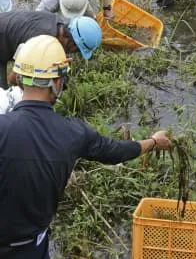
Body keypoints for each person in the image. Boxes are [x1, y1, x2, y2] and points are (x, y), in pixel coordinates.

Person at [0, 35, 171, 258]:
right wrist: (154, 142)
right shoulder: (74, 133)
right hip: (29, 248)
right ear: (58, 83)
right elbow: (117, 151)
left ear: (20, 79)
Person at [0, 10, 102, 89]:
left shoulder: (58, 25)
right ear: (71, 42)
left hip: (5, 32)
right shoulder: (40, 42)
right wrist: (40, 86)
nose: (73, 53)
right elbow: (14, 78)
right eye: (77, 50)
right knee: (3, 93)